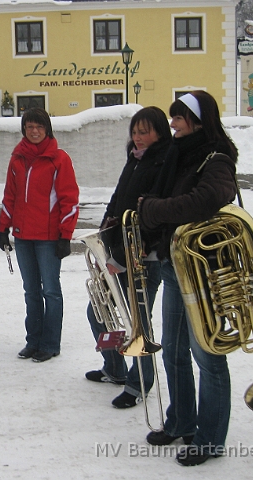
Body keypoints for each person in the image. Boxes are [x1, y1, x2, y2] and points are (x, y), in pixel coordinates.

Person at [138, 91, 238, 466]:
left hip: (202, 270)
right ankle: (182, 421)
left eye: (179, 118)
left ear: (198, 120)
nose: (174, 125)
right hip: (172, 262)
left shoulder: (217, 157)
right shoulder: (177, 157)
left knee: (207, 354)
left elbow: (207, 198)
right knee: (176, 351)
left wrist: (155, 210)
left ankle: (210, 439)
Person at [84, 107, 171, 407]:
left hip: (142, 259)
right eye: (135, 131)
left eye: (144, 131)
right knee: (98, 312)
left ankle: (140, 384)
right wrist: (103, 239)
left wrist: (120, 257)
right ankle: (115, 368)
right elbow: (118, 202)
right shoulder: (135, 159)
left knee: (138, 326)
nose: (137, 137)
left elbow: (151, 220)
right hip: (120, 251)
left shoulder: (163, 163)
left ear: (160, 132)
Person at [0, 108, 79, 363]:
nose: (34, 131)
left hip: (48, 238)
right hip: (23, 237)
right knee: (31, 291)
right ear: (24, 129)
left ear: (47, 129)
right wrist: (4, 227)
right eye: (29, 127)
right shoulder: (17, 158)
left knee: (51, 291)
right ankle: (33, 341)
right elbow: (9, 196)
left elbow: (70, 200)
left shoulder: (58, 159)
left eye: (39, 127)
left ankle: (50, 343)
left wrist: (65, 236)